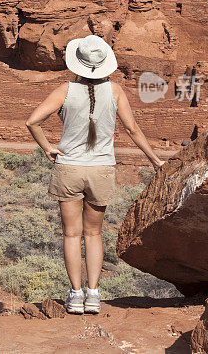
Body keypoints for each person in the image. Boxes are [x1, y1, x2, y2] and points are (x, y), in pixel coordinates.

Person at [25, 34, 164, 314]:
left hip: (69, 168)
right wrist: (155, 161)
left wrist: (48, 148)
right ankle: (93, 295)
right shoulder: (115, 91)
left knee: (71, 235)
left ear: (77, 64)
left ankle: (75, 295)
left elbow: (32, 121)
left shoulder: (64, 90)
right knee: (94, 234)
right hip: (101, 170)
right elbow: (133, 129)